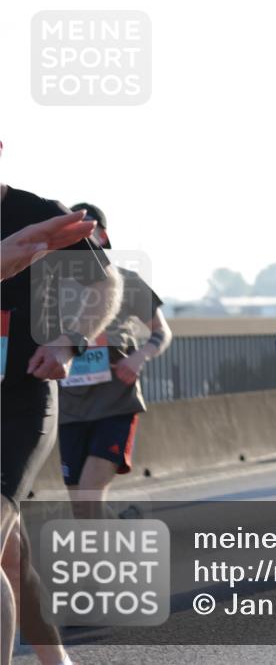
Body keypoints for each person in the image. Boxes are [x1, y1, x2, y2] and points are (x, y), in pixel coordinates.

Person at [2, 184, 121, 665]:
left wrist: (69, 341)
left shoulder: (38, 214)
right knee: (10, 556)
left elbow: (106, 284)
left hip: (19, 403)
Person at [57, 203, 173, 518]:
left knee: (90, 498)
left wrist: (138, 358)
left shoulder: (125, 280)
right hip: (69, 409)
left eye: (87, 227)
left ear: (103, 234)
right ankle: (127, 525)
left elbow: (162, 333)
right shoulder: (50, 286)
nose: (78, 235)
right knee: (81, 508)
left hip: (115, 404)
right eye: (70, 229)